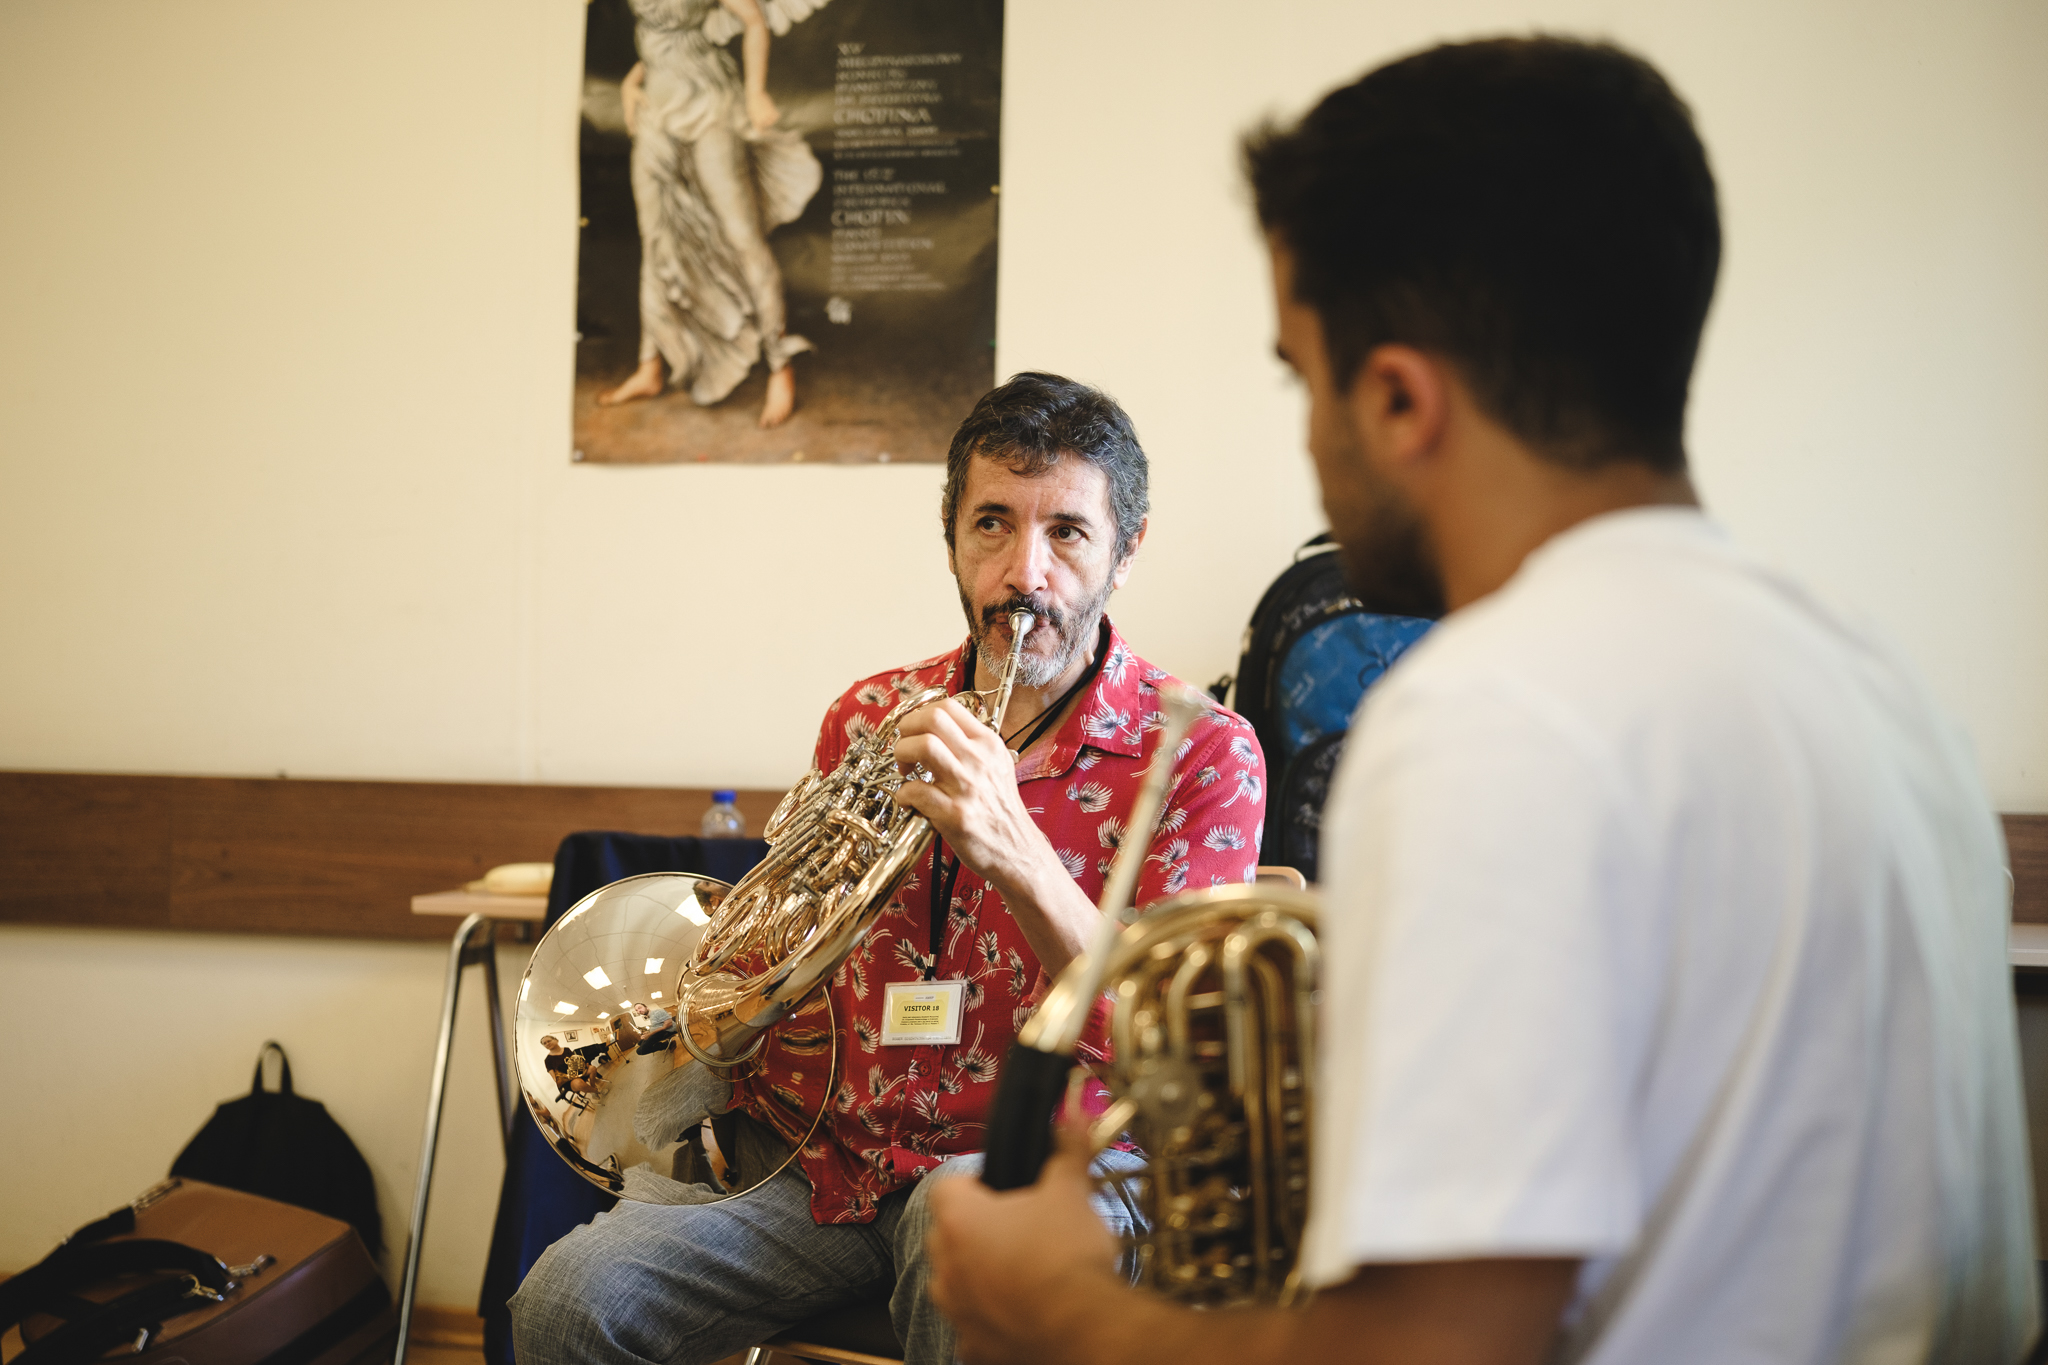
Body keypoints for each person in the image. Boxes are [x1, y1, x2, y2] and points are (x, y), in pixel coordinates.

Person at [929, 37, 2038, 1365]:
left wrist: (1057, 1305)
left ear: (1398, 399)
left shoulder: (1496, 717)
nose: (1311, 436)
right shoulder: (1880, 692)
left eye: (1302, 379)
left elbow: (1437, 1349)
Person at [510, 372, 1269, 1365]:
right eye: (992, 524)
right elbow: (779, 950)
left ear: (1126, 550)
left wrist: (1013, 844)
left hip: (1054, 1166)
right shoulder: (870, 715)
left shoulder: (1201, 752)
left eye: (1067, 533)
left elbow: (1171, 1053)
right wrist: (739, 998)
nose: (1025, 573)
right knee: (567, 1303)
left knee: (958, 1221)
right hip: (825, 1164)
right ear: (950, 536)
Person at [599, 0, 819, 428]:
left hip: (708, 101)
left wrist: (755, 93)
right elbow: (664, 36)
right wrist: (631, 81)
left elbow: (753, 19)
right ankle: (650, 366)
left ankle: (780, 366)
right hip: (655, 107)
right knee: (656, 236)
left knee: (742, 235)